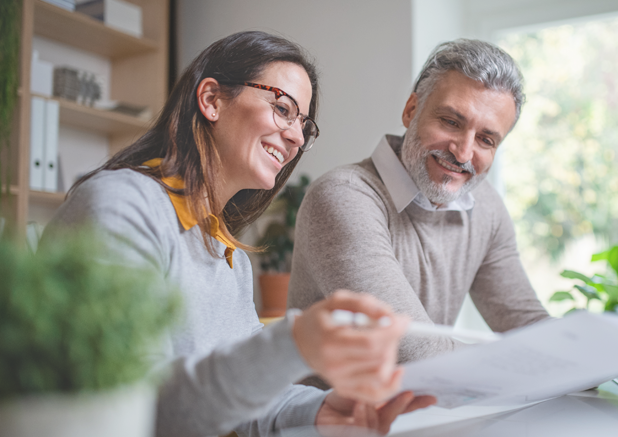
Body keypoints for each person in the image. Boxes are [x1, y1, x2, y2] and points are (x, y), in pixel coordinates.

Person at [41, 31, 435, 437]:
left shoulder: (229, 257)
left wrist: (324, 410)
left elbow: (249, 401)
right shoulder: (122, 206)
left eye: (304, 125)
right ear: (211, 100)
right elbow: (134, 405)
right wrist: (292, 343)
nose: (297, 138)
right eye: (283, 108)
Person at [287, 39, 550, 378]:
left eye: (486, 139)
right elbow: (415, 353)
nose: (464, 152)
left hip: (426, 417)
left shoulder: (485, 208)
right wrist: (538, 361)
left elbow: (528, 325)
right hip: (327, 423)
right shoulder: (344, 196)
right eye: (451, 122)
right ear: (411, 109)